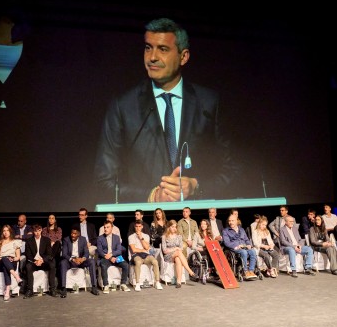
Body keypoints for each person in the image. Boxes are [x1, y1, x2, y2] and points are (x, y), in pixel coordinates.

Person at [93, 17, 241, 204]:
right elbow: (104, 180)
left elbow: (235, 170)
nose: (152, 57)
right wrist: (151, 196)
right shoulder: (123, 107)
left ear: (183, 56)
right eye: (148, 47)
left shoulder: (209, 103)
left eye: (162, 49)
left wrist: (196, 186)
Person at [59, 225, 100, 297]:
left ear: (79, 234)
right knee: (63, 263)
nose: (73, 235)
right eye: (72, 233)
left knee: (92, 261)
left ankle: (94, 286)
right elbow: (64, 254)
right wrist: (73, 259)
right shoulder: (66, 240)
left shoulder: (83, 239)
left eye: (75, 234)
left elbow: (86, 252)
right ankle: (63, 288)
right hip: (70, 261)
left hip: (81, 261)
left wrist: (82, 259)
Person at [23, 223, 58, 297]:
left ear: (41, 230)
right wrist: (35, 261)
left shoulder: (46, 240)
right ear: (33, 231)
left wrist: (42, 260)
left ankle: (52, 289)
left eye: (39, 230)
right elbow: (28, 254)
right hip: (34, 262)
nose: (37, 232)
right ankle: (30, 290)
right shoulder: (29, 241)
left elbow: (49, 254)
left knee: (52, 265)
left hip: (43, 262)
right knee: (28, 266)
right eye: (35, 231)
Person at [97, 220, 131, 293]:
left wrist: (112, 255)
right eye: (104, 227)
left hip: (116, 257)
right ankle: (106, 285)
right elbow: (100, 251)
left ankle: (123, 284)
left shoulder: (116, 237)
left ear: (112, 228)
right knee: (103, 265)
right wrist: (110, 257)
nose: (105, 229)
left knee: (125, 264)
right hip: (105, 257)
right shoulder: (100, 238)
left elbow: (119, 250)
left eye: (108, 227)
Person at [223, 212, 259, 280]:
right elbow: (226, 243)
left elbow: (246, 239)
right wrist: (237, 246)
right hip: (235, 248)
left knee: (253, 251)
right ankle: (245, 271)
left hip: (244, 246)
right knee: (244, 252)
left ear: (236, 221)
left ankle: (251, 271)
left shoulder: (241, 229)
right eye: (229, 221)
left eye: (232, 220)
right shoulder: (226, 231)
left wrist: (249, 244)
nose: (230, 222)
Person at [161, 220, 196, 288]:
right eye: (172, 227)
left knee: (178, 259)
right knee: (178, 252)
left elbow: (181, 248)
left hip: (177, 255)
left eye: (175, 227)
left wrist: (176, 249)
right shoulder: (164, 236)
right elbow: (165, 251)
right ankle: (190, 271)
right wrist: (175, 249)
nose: (174, 228)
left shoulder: (179, 236)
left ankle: (178, 282)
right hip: (168, 256)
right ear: (168, 227)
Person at [128, 222, 162, 291]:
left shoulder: (146, 236)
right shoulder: (131, 237)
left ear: (142, 227)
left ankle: (157, 282)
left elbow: (146, 247)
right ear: (134, 227)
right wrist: (142, 250)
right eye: (136, 226)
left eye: (139, 226)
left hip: (146, 255)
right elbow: (134, 250)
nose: (138, 228)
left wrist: (141, 238)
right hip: (136, 255)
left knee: (155, 261)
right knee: (138, 262)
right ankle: (137, 283)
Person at [0, 224, 23, 301]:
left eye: (7, 230)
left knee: (5, 266)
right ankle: (16, 277)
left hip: (11, 262)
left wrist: (13, 259)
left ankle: (7, 290)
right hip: (0, 262)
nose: (5, 232)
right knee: (4, 258)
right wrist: (5, 258)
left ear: (10, 231)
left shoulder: (15, 242)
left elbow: (18, 257)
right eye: (4, 231)